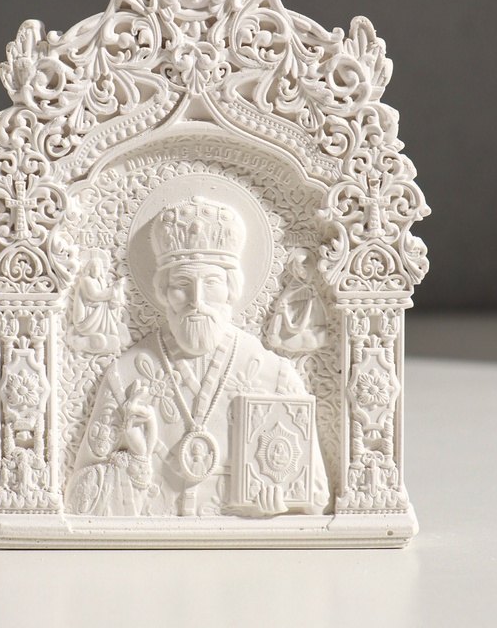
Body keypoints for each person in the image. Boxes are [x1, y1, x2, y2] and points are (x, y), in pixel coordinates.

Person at [65, 196, 328, 517]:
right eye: (182, 284)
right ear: (163, 291)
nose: (197, 300)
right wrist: (135, 461)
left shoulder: (275, 376)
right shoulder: (127, 374)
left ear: (232, 289)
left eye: (211, 283)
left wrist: (283, 503)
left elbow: (316, 499)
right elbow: (79, 501)